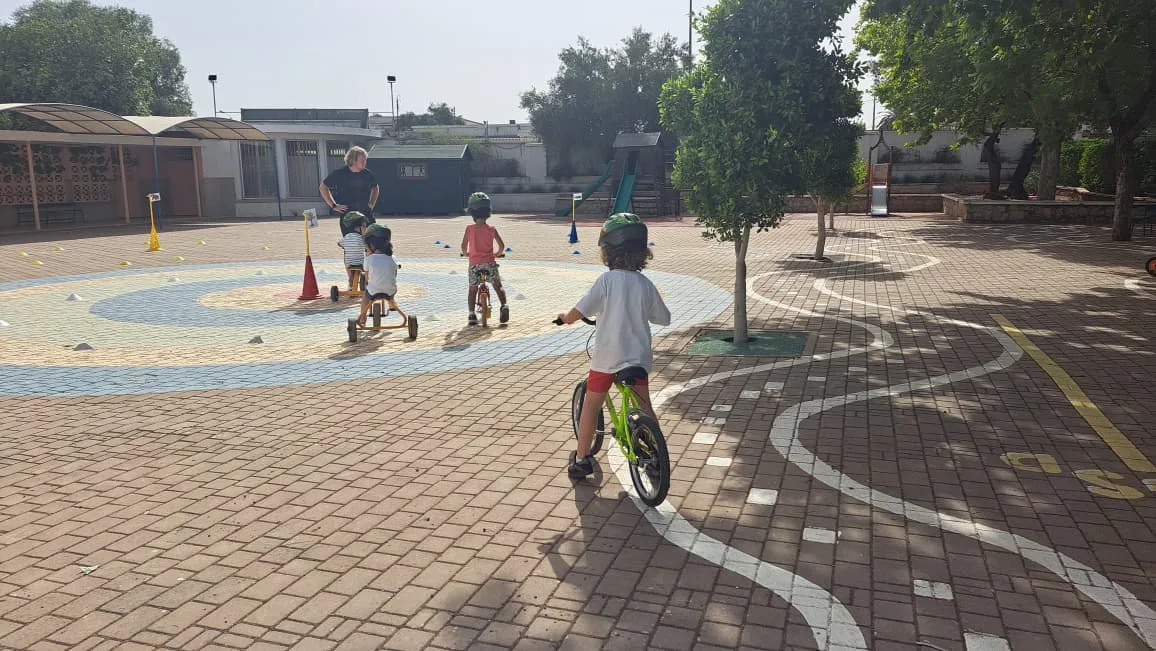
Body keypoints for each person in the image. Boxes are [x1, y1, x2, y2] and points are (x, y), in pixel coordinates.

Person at [555, 213, 671, 479]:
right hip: (638, 358)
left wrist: (565, 318)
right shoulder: (645, 284)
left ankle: (581, 459)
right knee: (644, 406)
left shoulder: (606, 281)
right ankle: (655, 454)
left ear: (608, 251)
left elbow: (581, 310)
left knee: (591, 406)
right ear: (642, 253)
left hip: (607, 359)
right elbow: (664, 318)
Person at [460, 192, 508, 326]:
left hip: (475, 265)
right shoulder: (492, 229)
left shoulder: (469, 229)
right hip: (490, 264)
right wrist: (497, 254)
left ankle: (471, 314)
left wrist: (466, 254)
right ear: (488, 212)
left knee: (473, 289)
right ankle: (504, 305)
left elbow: (463, 246)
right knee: (498, 286)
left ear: (472, 213)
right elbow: (501, 246)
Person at [320, 146, 380, 236]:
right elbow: (323, 187)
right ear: (353, 160)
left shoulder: (368, 174)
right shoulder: (339, 173)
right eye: (362, 160)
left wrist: (372, 203)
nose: (365, 162)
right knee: (351, 243)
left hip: (366, 213)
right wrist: (333, 205)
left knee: (372, 240)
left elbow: (375, 187)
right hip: (348, 217)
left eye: (365, 160)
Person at [357, 224, 398, 326]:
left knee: (365, 299)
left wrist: (368, 282)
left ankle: (362, 319)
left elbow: (367, 277)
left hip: (373, 291)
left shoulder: (369, 259)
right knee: (391, 290)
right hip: (390, 290)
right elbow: (394, 274)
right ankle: (392, 304)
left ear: (372, 245)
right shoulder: (393, 258)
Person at [338, 211, 368, 291]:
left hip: (349, 263)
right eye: (363, 226)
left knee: (352, 271)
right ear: (359, 228)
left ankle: (351, 286)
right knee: (367, 267)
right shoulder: (361, 238)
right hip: (360, 262)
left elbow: (339, 244)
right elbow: (367, 247)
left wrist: (347, 246)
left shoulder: (346, 237)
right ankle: (366, 284)